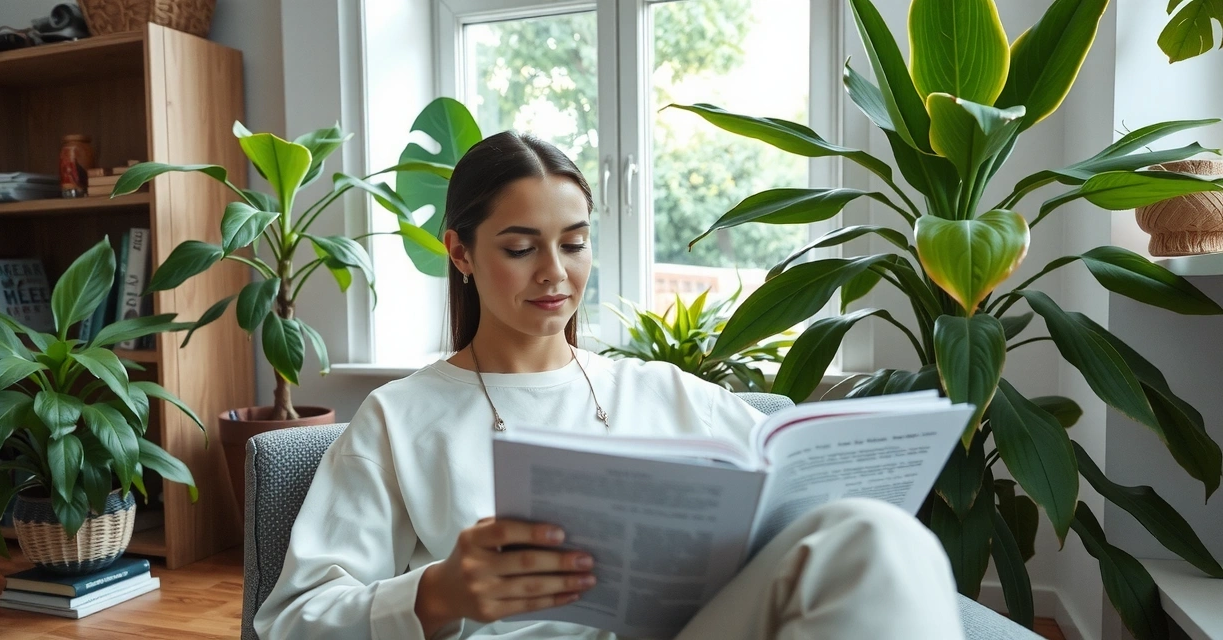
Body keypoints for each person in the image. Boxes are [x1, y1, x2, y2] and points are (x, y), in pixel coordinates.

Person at [254, 131, 965, 640]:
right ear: (460, 252)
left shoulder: (667, 393)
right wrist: (436, 593)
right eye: (520, 247)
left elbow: (807, 517)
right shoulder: (400, 418)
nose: (554, 273)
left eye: (573, 243)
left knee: (874, 531)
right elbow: (290, 619)